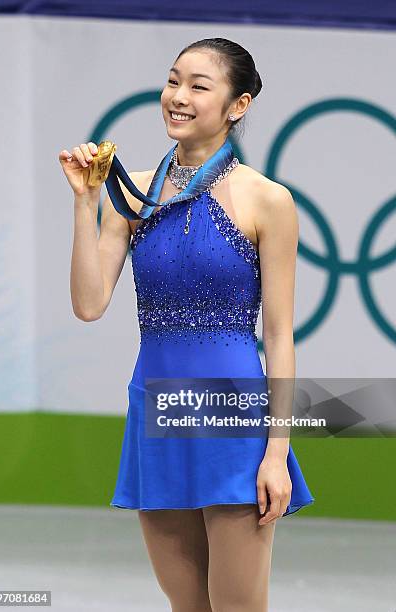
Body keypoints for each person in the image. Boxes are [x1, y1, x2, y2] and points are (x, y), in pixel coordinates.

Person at [59, 37, 314, 612]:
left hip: (234, 421)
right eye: (173, 80)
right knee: (186, 605)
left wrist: (277, 452)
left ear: (237, 105)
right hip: (157, 413)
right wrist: (86, 201)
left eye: (199, 86)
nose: (178, 96)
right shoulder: (135, 192)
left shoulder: (267, 200)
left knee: (238, 606)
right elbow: (89, 303)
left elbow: (278, 335)